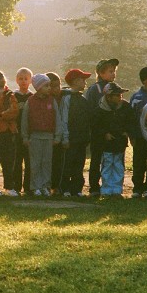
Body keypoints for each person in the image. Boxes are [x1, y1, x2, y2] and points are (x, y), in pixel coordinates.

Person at [21, 74, 63, 197]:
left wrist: (57, 136)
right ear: (38, 87)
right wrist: (25, 136)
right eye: (46, 86)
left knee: (46, 163)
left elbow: (57, 119)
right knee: (35, 163)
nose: (49, 88)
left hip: (49, 137)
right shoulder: (30, 101)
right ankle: (35, 186)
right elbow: (25, 120)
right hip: (35, 137)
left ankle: (46, 186)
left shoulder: (51, 101)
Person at [84, 58, 119, 197]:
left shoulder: (114, 87)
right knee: (96, 158)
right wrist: (99, 129)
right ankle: (94, 186)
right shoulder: (94, 89)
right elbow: (91, 111)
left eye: (114, 71)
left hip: (112, 129)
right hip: (97, 130)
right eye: (110, 71)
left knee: (110, 158)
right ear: (101, 73)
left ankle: (109, 184)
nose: (113, 74)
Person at [93, 82, 134, 198]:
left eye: (120, 94)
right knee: (107, 166)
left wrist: (127, 131)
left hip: (120, 143)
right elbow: (96, 125)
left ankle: (117, 189)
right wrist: (104, 133)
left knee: (118, 167)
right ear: (108, 97)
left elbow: (131, 121)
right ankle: (106, 189)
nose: (120, 96)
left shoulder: (125, 107)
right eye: (116, 95)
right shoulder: (100, 109)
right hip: (106, 144)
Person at [58, 69, 92, 197]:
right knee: (68, 164)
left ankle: (77, 189)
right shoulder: (67, 98)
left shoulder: (82, 99)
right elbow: (64, 118)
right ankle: (65, 188)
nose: (84, 82)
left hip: (81, 139)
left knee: (79, 165)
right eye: (82, 79)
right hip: (70, 138)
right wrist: (65, 138)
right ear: (75, 81)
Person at [129, 67, 147, 198]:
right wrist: (132, 135)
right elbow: (131, 118)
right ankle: (137, 187)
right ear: (144, 80)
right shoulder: (137, 97)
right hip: (140, 136)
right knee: (139, 162)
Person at [13, 67, 34, 195]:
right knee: (16, 160)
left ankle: (28, 187)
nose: (23, 81)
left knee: (29, 161)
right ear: (16, 80)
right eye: (21, 79)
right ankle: (16, 186)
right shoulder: (13, 96)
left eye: (26, 79)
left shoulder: (32, 97)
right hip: (16, 132)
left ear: (30, 81)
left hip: (29, 133)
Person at [46, 72, 66, 194]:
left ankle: (57, 185)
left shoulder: (65, 96)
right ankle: (47, 185)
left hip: (61, 134)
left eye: (58, 85)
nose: (56, 89)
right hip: (47, 134)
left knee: (59, 162)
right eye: (52, 86)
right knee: (47, 161)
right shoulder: (44, 99)